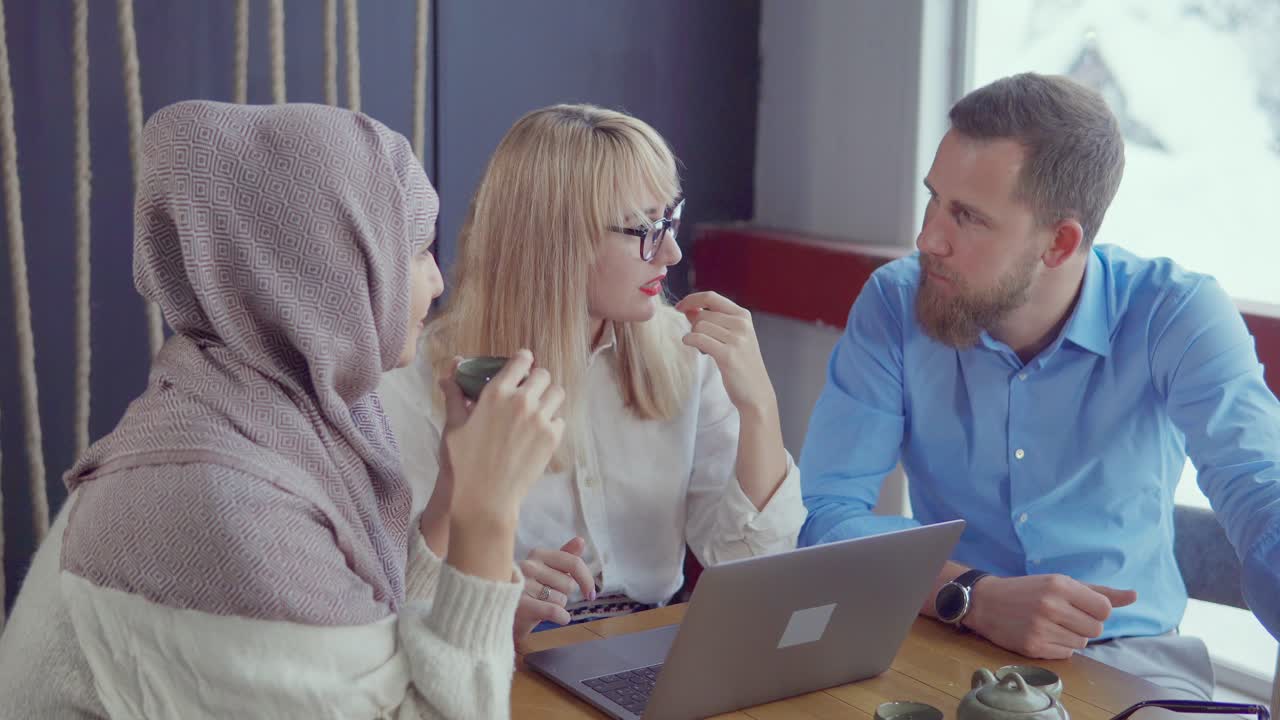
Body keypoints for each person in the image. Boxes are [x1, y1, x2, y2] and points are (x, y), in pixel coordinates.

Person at [0, 100, 565, 718]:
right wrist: (490, 513)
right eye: (413, 249)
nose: (436, 280)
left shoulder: (262, 408)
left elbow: (375, 644)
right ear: (331, 267)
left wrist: (454, 487)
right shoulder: (221, 501)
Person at [798, 73, 1280, 700]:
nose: (928, 239)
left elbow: (1261, 489)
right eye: (934, 200)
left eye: (967, 217)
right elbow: (827, 519)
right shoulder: (895, 302)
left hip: (1131, 666)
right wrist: (969, 595)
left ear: (1060, 242)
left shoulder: (1177, 314)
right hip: (940, 639)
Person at [380, 104, 806, 641]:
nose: (672, 252)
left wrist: (760, 409)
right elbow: (397, 603)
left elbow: (753, 570)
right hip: (505, 666)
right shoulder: (418, 385)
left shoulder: (686, 350)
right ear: (560, 242)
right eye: (646, 229)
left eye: (670, 220)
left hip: (655, 648)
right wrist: (495, 604)